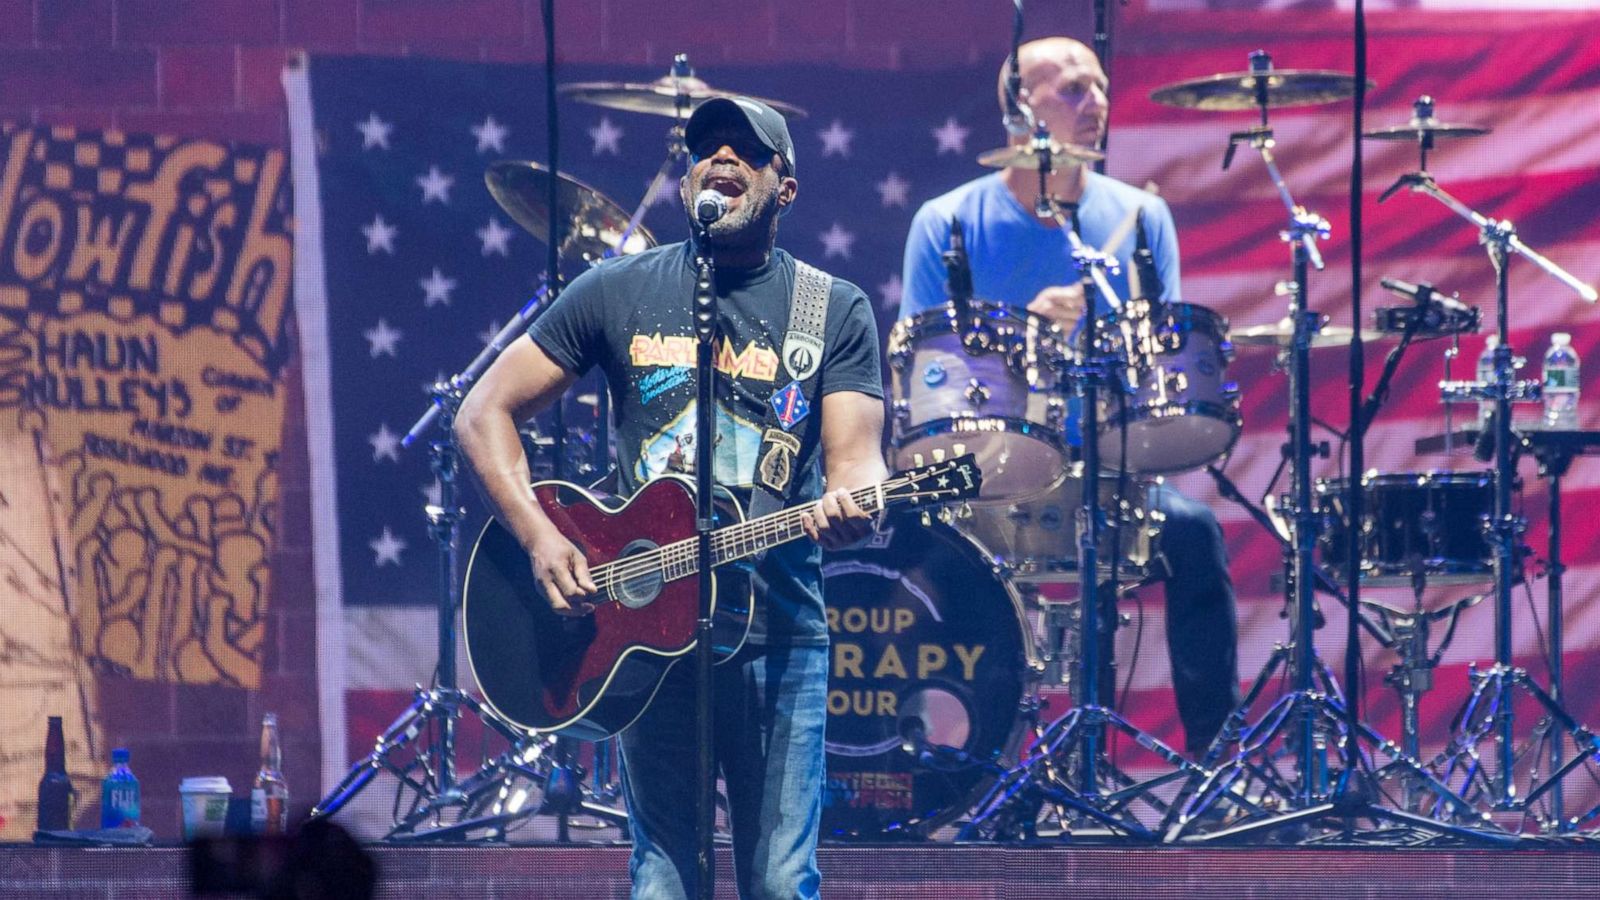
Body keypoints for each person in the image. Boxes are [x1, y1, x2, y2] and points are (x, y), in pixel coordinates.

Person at [456, 96, 886, 899]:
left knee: (782, 881)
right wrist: (541, 537)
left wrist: (853, 502)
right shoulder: (615, 289)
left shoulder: (830, 310)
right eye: (706, 147)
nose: (720, 157)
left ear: (783, 188)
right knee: (663, 877)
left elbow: (858, 462)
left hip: (776, 630)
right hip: (645, 631)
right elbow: (483, 412)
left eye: (744, 151)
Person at [899, 36, 1239, 755]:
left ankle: (1218, 767)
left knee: (1196, 534)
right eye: (1073, 91)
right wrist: (1029, 334)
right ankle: (962, 767)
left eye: (1101, 88)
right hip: (984, 476)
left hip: (1109, 471)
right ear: (1019, 111)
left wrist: (1109, 337)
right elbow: (922, 379)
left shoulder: (1141, 219)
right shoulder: (947, 223)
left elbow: (1160, 371)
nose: (1098, 105)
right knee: (923, 559)